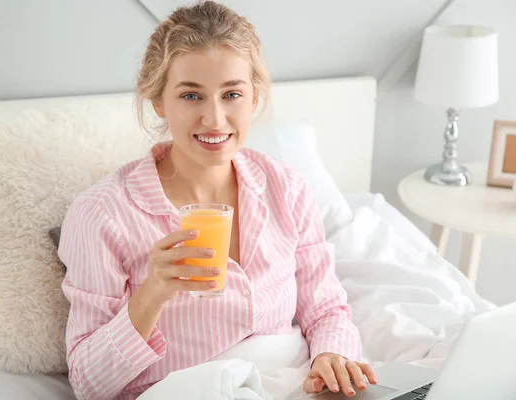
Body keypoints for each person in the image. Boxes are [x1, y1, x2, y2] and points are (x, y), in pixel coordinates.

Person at [58, 1, 377, 399]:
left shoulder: (286, 188)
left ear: (254, 97)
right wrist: (152, 293)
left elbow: (326, 309)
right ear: (159, 100)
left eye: (232, 94)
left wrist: (332, 356)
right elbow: (89, 385)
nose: (214, 119)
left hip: (291, 384)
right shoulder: (102, 214)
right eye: (191, 96)